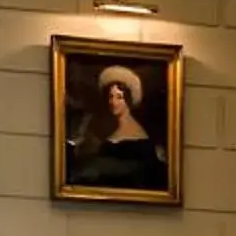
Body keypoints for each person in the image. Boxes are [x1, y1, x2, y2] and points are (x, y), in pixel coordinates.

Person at [65, 63, 168, 193]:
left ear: (128, 99)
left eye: (119, 97)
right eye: (111, 97)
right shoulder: (105, 129)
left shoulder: (139, 137)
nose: (113, 102)